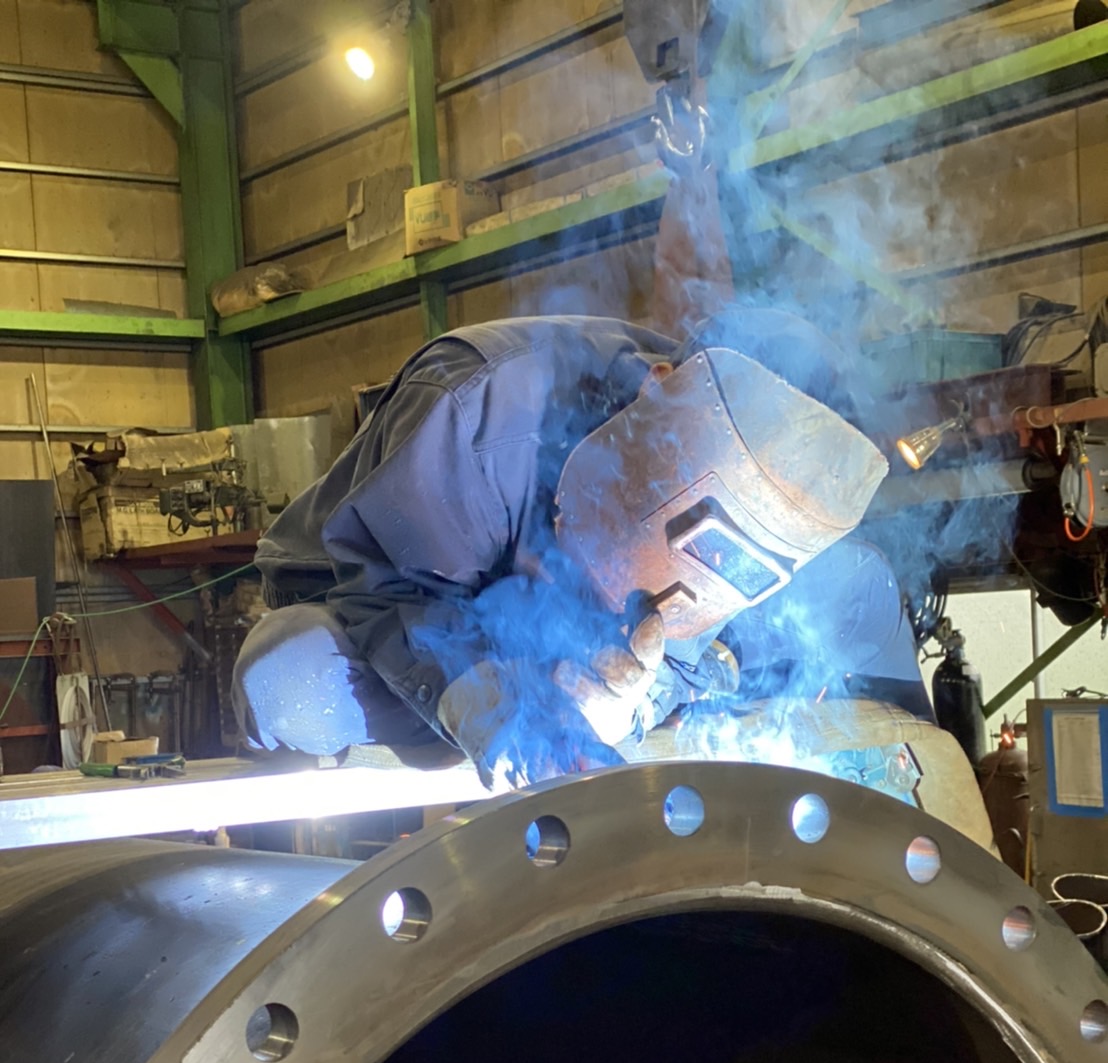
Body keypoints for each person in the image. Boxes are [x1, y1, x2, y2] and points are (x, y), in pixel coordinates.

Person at [232, 304, 928, 788]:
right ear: (659, 392)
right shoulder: (478, 404)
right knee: (287, 683)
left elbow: (689, 612)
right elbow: (398, 594)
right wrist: (505, 717)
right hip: (373, 597)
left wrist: (637, 698)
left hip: (558, 628)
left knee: (862, 587)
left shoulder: (776, 494)